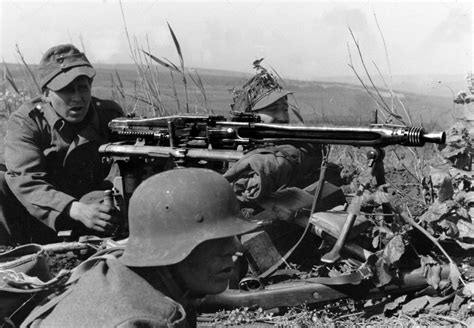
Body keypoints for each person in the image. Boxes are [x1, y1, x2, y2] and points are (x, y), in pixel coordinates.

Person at [21, 168, 260, 327]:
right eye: (217, 238)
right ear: (172, 245)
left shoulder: (120, 272)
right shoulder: (142, 319)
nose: (235, 247)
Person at [0, 44, 123, 245]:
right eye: (66, 90)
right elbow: (26, 180)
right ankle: (13, 256)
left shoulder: (108, 116)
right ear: (46, 94)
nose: (78, 98)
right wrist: (76, 209)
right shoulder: (26, 121)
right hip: (39, 212)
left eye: (83, 87)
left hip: (91, 205)